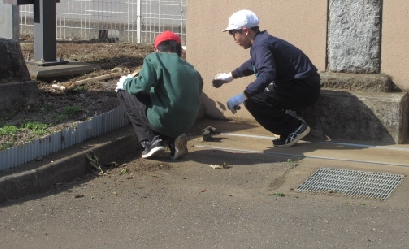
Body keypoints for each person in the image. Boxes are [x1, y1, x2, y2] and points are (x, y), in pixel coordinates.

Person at [212, 10, 320, 147]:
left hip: (303, 88)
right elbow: (253, 64)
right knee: (258, 95)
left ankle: (294, 128)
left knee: (253, 100)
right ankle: (289, 124)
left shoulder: (261, 45)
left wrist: (243, 96)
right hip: (302, 85)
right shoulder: (261, 42)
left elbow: (267, 73)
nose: (233, 38)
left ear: (245, 31)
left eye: (233, 33)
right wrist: (231, 76)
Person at [116, 31, 203, 159]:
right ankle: (173, 142)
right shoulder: (192, 69)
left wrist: (126, 82)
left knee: (123, 92)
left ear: (157, 49)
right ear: (180, 51)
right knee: (167, 106)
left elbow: (141, 86)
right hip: (187, 123)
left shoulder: (154, 59)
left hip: (163, 119)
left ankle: (151, 141)